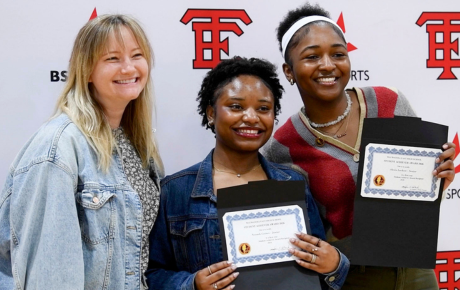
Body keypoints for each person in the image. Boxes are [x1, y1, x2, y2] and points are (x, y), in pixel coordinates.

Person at [262, 4, 457, 289]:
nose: (328, 65)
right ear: (289, 71)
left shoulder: (388, 102)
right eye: (312, 56)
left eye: (338, 54)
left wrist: (440, 178)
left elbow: (418, 202)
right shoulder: (281, 146)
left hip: (416, 271)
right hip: (352, 279)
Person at [0, 14, 163, 290]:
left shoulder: (136, 142)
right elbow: (50, 275)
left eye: (137, 55)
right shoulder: (59, 146)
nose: (128, 67)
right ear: (87, 70)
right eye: (112, 58)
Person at [146, 57, 350, 290]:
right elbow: (149, 274)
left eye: (263, 108)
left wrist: (334, 264)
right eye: (236, 106)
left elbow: (318, 272)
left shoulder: (293, 182)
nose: (251, 117)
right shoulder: (175, 190)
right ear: (211, 113)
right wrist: (192, 285)